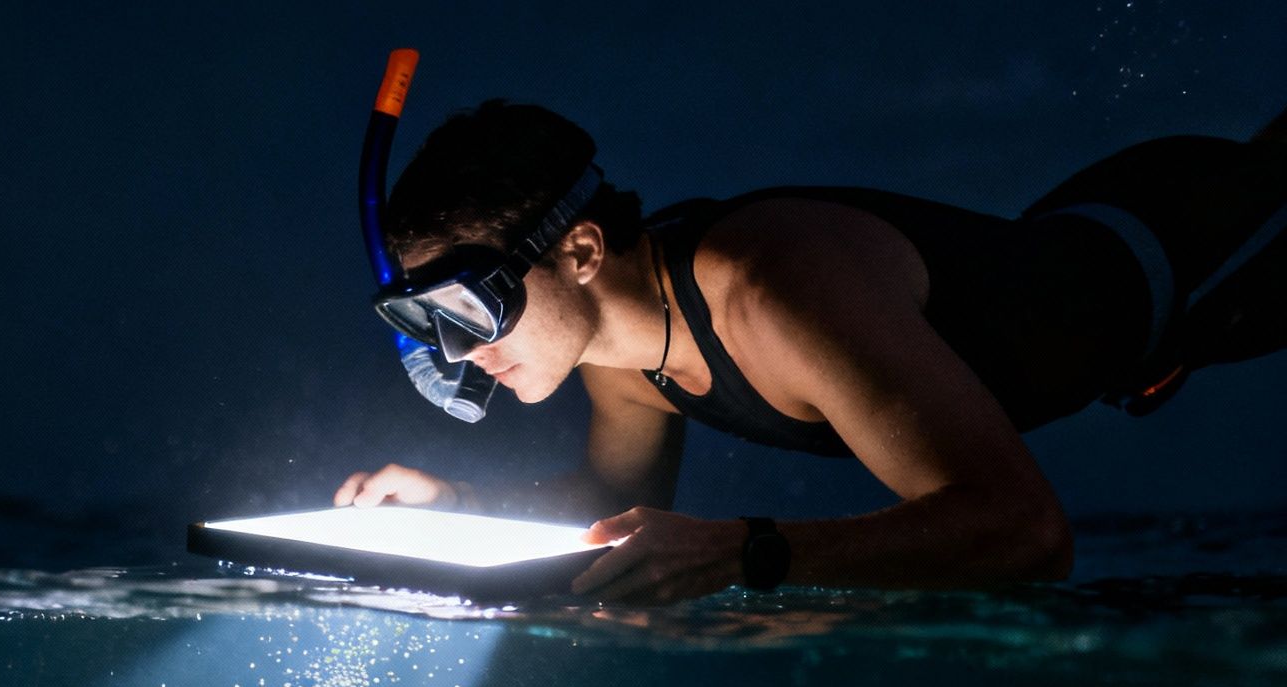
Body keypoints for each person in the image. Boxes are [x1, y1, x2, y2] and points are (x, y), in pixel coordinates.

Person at [336, 101, 1287, 603]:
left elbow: (1029, 533)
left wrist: (747, 552)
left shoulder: (768, 287)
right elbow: (604, 512)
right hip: (1126, 253)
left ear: (580, 251)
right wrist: (448, 507)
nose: (458, 354)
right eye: (428, 324)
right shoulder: (621, 359)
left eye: (471, 306)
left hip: (1206, 252)